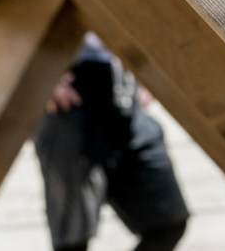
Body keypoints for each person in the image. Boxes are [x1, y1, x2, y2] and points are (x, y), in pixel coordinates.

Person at [36, 33, 189, 251]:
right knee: (72, 239)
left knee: (167, 222)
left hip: (122, 80)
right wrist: (40, 76)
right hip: (70, 86)